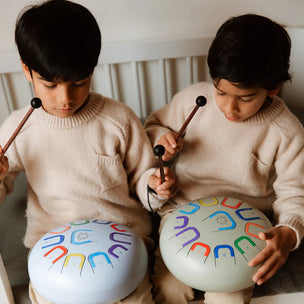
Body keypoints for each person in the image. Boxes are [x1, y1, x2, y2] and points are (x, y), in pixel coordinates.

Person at [0, 1, 175, 303]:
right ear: (27, 70)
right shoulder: (19, 127)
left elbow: (143, 180)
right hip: (54, 247)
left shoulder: (118, 119)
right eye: (50, 85)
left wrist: (156, 186)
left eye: (79, 83)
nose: (65, 98)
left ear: (92, 70)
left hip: (122, 241)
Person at [144, 14, 304, 304]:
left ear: (274, 87)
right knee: (168, 290)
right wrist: (161, 140)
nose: (229, 107)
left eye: (244, 98)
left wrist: (288, 232)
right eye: (220, 92)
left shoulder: (287, 132)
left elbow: (296, 193)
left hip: (246, 225)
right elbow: (154, 124)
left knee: (229, 296)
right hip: (182, 212)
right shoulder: (194, 100)